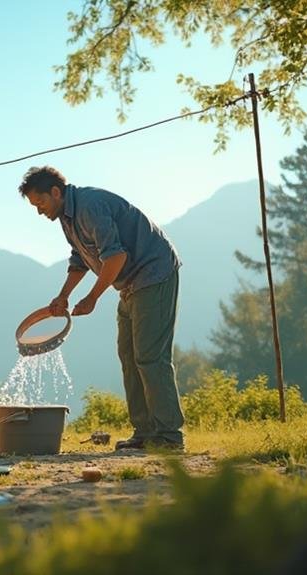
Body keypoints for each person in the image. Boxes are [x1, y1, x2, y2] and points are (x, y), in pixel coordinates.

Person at [18, 166, 185, 450]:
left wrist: (93, 297)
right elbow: (80, 259)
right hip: (129, 283)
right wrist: (63, 297)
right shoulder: (67, 216)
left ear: (55, 192)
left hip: (153, 274)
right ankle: (144, 433)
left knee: (149, 356)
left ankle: (169, 436)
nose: (39, 211)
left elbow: (116, 256)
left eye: (40, 203)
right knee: (129, 356)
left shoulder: (89, 207)